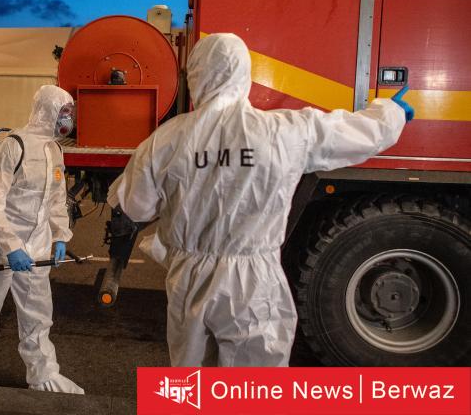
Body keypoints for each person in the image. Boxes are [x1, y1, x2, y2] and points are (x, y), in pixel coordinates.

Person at [108, 33, 411, 367]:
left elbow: (135, 207)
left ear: (195, 74)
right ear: (243, 73)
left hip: (189, 279)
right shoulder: (284, 132)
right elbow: (353, 132)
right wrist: (393, 113)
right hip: (254, 282)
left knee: (193, 379)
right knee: (253, 381)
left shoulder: (164, 140)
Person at [0, 85, 84, 394]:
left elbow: (56, 199)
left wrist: (60, 235)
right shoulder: (12, 147)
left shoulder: (54, 150)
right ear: (47, 111)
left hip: (36, 246)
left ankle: (43, 375)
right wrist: (10, 247)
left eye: (70, 113)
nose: (67, 119)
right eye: (63, 112)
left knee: (38, 315)